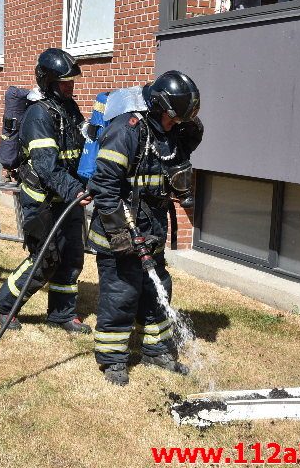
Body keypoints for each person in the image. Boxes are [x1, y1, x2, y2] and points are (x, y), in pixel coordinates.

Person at [86, 70, 204, 385]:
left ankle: (156, 351)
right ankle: (113, 360)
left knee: (157, 289)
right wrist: (122, 235)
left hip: (151, 228)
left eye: (179, 121)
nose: (175, 125)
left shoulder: (170, 133)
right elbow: (104, 187)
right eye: (171, 118)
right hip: (118, 230)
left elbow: (191, 139)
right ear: (156, 107)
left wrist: (185, 118)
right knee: (120, 293)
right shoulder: (128, 130)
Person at [0, 48, 92, 334]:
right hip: (42, 201)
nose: (70, 86)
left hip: (68, 198)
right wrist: (75, 190)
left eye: (72, 81)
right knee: (45, 260)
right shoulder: (38, 115)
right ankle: (5, 304)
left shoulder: (68, 107)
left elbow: (80, 145)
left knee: (72, 256)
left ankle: (62, 313)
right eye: (64, 82)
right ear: (48, 81)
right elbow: (46, 167)